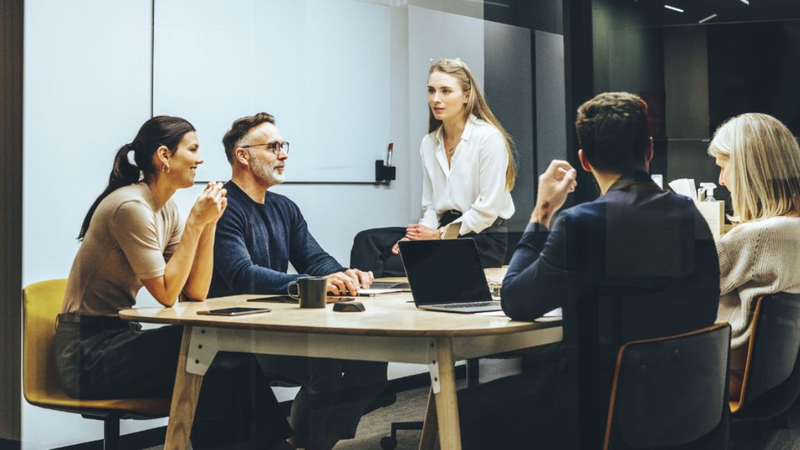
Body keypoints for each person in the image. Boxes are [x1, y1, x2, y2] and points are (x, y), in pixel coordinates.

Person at [459, 92, 721, 449]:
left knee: (465, 409)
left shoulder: (582, 223)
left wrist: (542, 211)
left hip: (602, 407)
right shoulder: (690, 215)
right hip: (688, 402)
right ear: (648, 149)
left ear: (583, 160)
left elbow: (516, 300)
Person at [54, 116, 294, 449]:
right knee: (207, 354)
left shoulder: (165, 210)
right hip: (86, 355)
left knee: (224, 354)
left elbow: (195, 291)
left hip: (118, 340)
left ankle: (273, 445)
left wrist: (209, 225)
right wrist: (196, 223)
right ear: (164, 156)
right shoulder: (131, 207)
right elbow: (168, 295)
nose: (200, 159)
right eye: (193, 149)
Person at [210, 112, 389, 450]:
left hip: (282, 327)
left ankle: (305, 443)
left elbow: (314, 259)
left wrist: (343, 274)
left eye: (283, 145)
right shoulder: (223, 206)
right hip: (241, 335)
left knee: (372, 366)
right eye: (273, 146)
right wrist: (309, 283)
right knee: (321, 370)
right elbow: (242, 275)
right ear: (243, 155)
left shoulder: (284, 208)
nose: (284, 153)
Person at [350, 58, 516, 276]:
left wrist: (438, 236)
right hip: (441, 230)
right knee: (366, 241)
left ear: (467, 96)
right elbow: (431, 207)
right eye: (431, 90)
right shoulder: (429, 143)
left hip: (481, 237)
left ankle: (391, 297)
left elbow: (487, 212)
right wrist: (415, 238)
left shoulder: (488, 138)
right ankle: (363, 295)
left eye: (446, 91)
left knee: (396, 265)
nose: (436, 99)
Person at [708, 113, 800, 399]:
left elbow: (691, 289)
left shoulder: (757, 237)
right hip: (774, 377)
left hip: (725, 373)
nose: (721, 180)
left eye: (724, 167)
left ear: (750, 170)